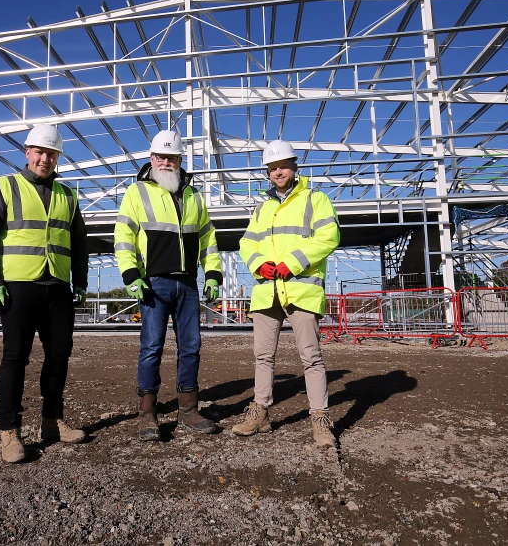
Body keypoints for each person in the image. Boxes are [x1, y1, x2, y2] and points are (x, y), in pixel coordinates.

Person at [0, 123, 88, 463]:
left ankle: (53, 422)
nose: (45, 158)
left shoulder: (68, 195)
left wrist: (79, 281)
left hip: (57, 287)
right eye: (40, 152)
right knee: (15, 359)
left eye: (51, 154)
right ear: (27, 153)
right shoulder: (5, 187)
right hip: (19, 288)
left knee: (58, 359)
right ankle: (10, 433)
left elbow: (79, 242)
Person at [114, 129, 223, 441]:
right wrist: (130, 274)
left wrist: (213, 274)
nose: (166, 162)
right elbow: (123, 236)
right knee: (151, 347)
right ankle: (147, 411)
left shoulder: (193, 196)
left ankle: (188, 409)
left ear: (179, 160)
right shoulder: (137, 193)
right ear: (151, 158)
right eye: (160, 157)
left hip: (187, 284)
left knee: (191, 347)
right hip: (153, 283)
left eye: (172, 157)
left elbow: (208, 240)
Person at [233, 140, 341, 447]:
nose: (277, 172)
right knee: (263, 356)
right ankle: (260, 412)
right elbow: (246, 244)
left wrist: (291, 264)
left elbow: (328, 236)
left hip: (300, 290)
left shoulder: (315, 200)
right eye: (272, 168)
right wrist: (260, 265)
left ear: (294, 167)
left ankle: (320, 418)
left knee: (311, 357)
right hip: (268, 291)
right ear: (267, 173)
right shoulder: (262, 208)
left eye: (282, 166)